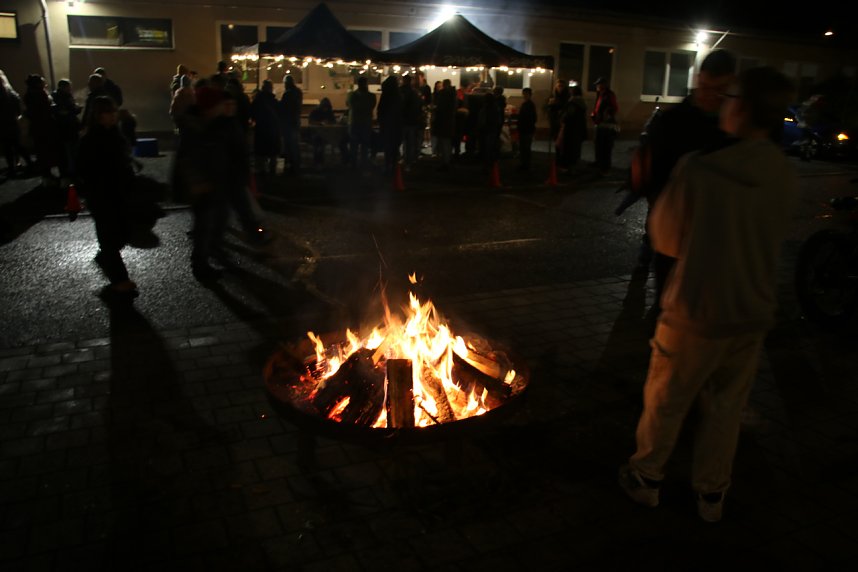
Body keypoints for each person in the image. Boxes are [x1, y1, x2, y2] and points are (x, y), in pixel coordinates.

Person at [618, 66, 798, 523]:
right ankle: (711, 495)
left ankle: (647, 478)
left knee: (666, 401)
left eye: (730, 95)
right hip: (752, 311)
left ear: (744, 106)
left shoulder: (701, 168)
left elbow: (665, 239)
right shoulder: (781, 170)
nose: (722, 101)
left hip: (695, 311)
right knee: (726, 409)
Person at [643, 49, 737, 311]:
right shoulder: (672, 122)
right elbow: (655, 180)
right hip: (676, 234)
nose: (709, 96)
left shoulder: (734, 128)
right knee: (668, 304)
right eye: (705, 86)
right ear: (697, 79)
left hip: (715, 239)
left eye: (720, 90)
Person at [75, 96, 138, 298]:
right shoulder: (92, 139)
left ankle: (109, 260)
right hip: (103, 195)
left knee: (118, 234)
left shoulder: (115, 134)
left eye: (113, 112)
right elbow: (85, 168)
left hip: (118, 193)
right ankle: (120, 280)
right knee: (109, 237)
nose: (112, 116)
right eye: (108, 112)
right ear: (98, 115)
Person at [22, 74, 59, 186]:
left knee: (41, 151)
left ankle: (46, 175)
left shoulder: (29, 95)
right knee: (46, 151)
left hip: (37, 128)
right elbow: (46, 111)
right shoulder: (40, 94)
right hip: (45, 127)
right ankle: (47, 175)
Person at [0, 70, 32, 179]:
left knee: (8, 146)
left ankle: (12, 168)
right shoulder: (9, 91)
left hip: (4, 123)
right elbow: (18, 102)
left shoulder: (4, 92)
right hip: (11, 121)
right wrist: (17, 115)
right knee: (15, 145)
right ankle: (28, 163)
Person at [51, 79, 82, 184]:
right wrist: (74, 110)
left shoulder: (63, 96)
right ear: (63, 87)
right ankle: (71, 172)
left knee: (71, 151)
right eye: (68, 87)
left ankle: (72, 171)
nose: (70, 89)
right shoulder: (59, 97)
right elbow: (63, 112)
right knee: (68, 151)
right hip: (66, 129)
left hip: (69, 128)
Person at [251, 80, 281, 175]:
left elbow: (252, 113)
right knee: (272, 152)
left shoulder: (257, 101)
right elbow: (279, 113)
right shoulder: (274, 101)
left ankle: (261, 170)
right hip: (272, 129)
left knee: (261, 151)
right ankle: (272, 169)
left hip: (261, 128)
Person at [346, 76, 377, 170]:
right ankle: (363, 163)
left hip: (354, 122)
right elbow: (371, 106)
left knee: (354, 145)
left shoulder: (352, 95)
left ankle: (353, 164)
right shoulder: (371, 96)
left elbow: (349, 105)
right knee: (365, 145)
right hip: (366, 123)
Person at [556, 84, 588, 171]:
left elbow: (569, 115)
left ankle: (566, 166)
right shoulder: (582, 103)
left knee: (567, 147)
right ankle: (574, 164)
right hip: (579, 128)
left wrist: (562, 119)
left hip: (570, 129)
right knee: (576, 147)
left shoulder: (573, 102)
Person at [591, 76, 619, 173]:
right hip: (599, 123)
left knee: (606, 146)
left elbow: (614, 108)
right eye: (597, 85)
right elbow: (597, 108)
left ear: (604, 85)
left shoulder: (609, 95)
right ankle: (599, 162)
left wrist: (607, 114)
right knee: (598, 144)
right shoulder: (600, 95)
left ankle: (605, 167)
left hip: (607, 125)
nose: (597, 86)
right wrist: (594, 115)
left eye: (599, 84)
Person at [377, 74, 403, 174]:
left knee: (388, 147)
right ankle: (394, 166)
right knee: (395, 147)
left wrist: (381, 122)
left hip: (387, 125)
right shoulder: (398, 96)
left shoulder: (386, 95)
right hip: (397, 125)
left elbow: (381, 110)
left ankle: (388, 165)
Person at [279, 75, 303, 174]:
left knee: (289, 145)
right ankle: (296, 165)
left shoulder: (287, 94)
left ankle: (290, 166)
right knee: (294, 144)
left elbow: (282, 108)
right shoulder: (298, 92)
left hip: (288, 122)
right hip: (295, 121)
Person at [433, 79, 456, 171]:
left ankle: (445, 162)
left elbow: (440, 109)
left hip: (443, 122)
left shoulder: (443, 95)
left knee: (443, 143)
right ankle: (447, 160)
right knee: (447, 143)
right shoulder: (453, 95)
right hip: (449, 122)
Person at [516, 87, 537, 171]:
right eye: (524, 94)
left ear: (529, 95)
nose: (524, 95)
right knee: (524, 147)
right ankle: (524, 164)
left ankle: (525, 164)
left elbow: (531, 118)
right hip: (526, 129)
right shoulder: (527, 104)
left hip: (527, 129)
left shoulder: (528, 105)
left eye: (526, 94)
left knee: (525, 147)